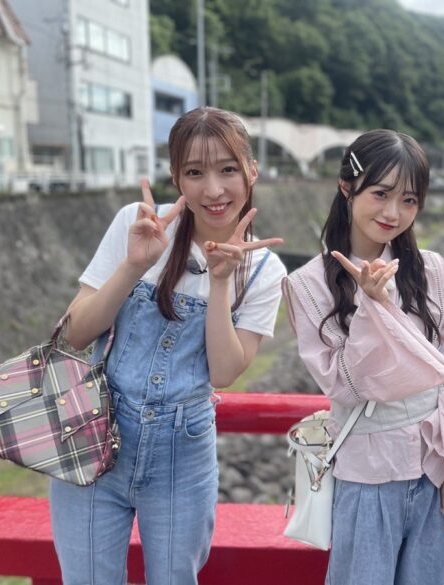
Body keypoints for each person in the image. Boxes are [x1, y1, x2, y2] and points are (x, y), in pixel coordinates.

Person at [49, 106, 286, 584]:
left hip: (184, 452)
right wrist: (135, 265)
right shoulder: (137, 224)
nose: (213, 190)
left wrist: (221, 282)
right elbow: (75, 333)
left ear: (252, 170)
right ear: (176, 176)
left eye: (228, 169)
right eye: (195, 173)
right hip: (96, 431)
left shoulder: (264, 270)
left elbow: (224, 373)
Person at [283, 129, 444, 585]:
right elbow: (346, 386)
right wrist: (372, 309)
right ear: (347, 188)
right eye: (380, 194)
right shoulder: (307, 285)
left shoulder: (430, 270)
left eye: (409, 200)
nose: (393, 213)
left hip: (435, 471)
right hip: (366, 473)